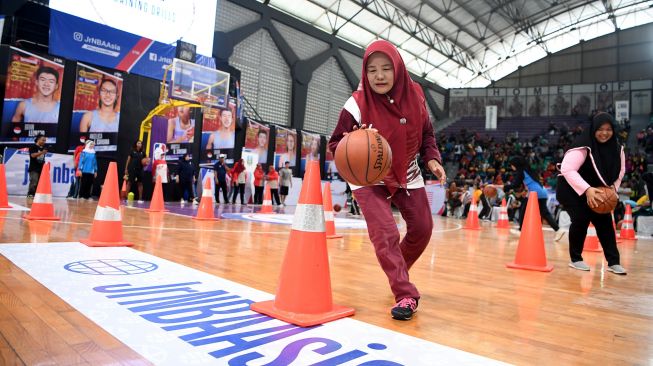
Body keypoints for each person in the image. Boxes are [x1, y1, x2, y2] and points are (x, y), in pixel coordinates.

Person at [328, 40, 445, 321]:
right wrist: (354, 141)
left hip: (406, 169)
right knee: (385, 232)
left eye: (385, 69)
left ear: (398, 68)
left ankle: (396, 270)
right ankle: (405, 293)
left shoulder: (416, 95)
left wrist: (432, 158)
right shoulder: (355, 104)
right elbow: (334, 144)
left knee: (423, 228)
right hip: (368, 176)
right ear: (364, 73)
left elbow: (428, 133)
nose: (379, 76)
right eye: (372, 70)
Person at [557, 112, 627, 274]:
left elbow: (621, 170)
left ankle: (613, 262)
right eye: (600, 129)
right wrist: (587, 189)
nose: (604, 133)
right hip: (572, 188)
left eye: (609, 129)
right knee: (581, 218)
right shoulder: (583, 145)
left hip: (599, 189)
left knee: (604, 222)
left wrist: (613, 189)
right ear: (594, 129)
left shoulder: (617, 149)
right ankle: (576, 259)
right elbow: (568, 169)